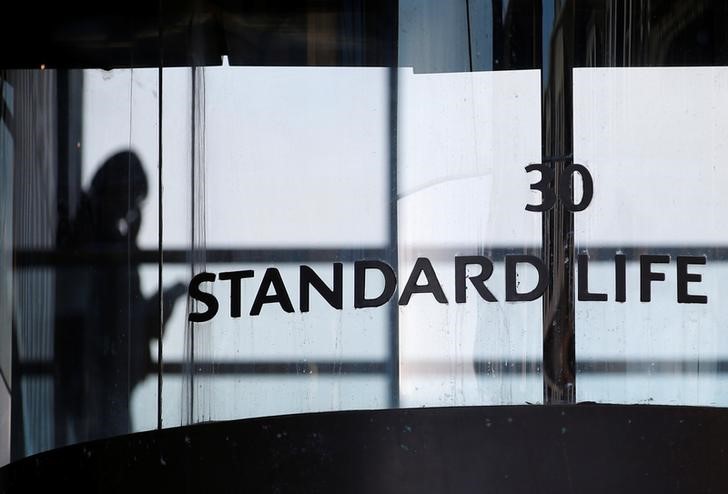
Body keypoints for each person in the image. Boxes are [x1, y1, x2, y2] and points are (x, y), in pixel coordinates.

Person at [56, 150, 185, 443]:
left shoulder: (107, 242)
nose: (131, 208)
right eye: (131, 198)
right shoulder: (98, 243)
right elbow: (126, 318)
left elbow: (133, 318)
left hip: (103, 376)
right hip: (98, 377)